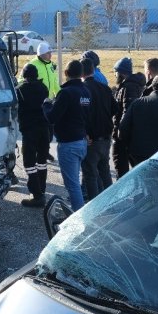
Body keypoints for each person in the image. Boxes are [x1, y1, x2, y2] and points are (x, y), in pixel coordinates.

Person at [45, 60, 91, 210]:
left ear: (66, 74)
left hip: (69, 143)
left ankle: (78, 218)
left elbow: (52, 118)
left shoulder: (66, 93)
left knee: (73, 185)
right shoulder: (85, 91)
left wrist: (46, 105)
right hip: (81, 141)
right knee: (74, 183)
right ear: (82, 74)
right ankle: (75, 209)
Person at [80, 58, 117, 201]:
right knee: (105, 171)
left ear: (81, 73)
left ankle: (94, 204)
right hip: (106, 137)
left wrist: (85, 132)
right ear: (93, 70)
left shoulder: (83, 90)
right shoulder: (104, 88)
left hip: (91, 139)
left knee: (90, 174)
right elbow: (115, 108)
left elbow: (82, 116)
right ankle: (109, 201)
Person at [16, 64, 51, 208]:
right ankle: (41, 189)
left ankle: (37, 195)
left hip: (30, 130)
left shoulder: (21, 90)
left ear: (24, 76)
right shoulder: (43, 88)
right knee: (41, 162)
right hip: (44, 129)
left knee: (29, 163)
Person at [112, 57, 147, 179]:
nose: (115, 75)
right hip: (132, 135)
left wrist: (120, 134)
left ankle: (122, 196)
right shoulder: (131, 85)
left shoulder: (128, 87)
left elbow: (127, 112)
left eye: (115, 72)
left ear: (121, 73)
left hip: (124, 136)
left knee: (121, 170)